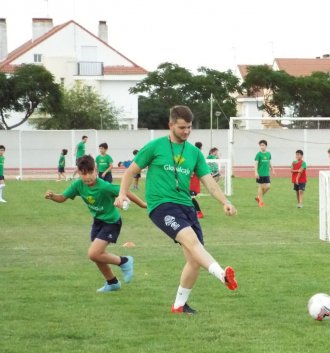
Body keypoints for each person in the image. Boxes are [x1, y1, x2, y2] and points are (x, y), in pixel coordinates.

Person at [115, 105, 238, 315]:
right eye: (182, 127)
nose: (187, 131)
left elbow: (209, 182)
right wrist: (122, 194)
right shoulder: (154, 147)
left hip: (186, 206)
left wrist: (224, 201)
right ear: (170, 125)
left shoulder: (195, 153)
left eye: (189, 127)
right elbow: (130, 172)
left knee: (194, 259)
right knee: (191, 240)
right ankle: (221, 274)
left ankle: (179, 306)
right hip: (161, 206)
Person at [45, 155, 146, 292]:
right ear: (79, 173)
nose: (87, 177)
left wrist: (143, 205)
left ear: (96, 170)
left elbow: (125, 192)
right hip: (98, 222)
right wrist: (52, 196)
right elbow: (62, 198)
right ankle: (112, 282)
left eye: (90, 173)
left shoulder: (104, 186)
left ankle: (124, 261)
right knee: (98, 256)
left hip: (111, 222)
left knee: (93, 253)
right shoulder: (78, 185)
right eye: (83, 174)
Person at [254, 139, 274, 207]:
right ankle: (261, 202)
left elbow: (270, 162)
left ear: (266, 146)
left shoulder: (268, 154)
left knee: (268, 187)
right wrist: (256, 172)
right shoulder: (258, 154)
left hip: (267, 174)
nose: (262, 147)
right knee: (261, 187)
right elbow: (256, 164)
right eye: (260, 145)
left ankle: (258, 198)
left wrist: (273, 169)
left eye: (263, 145)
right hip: (260, 174)